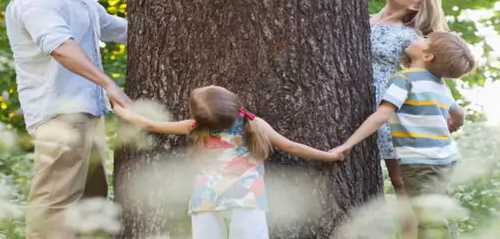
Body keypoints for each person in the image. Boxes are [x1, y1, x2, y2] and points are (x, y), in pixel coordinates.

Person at [1, 0, 130, 239]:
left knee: (92, 208)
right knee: (55, 207)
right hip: (60, 114)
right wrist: (109, 84)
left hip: (87, 113)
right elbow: (60, 47)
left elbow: (115, 28)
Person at [111, 85, 344, 239]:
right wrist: (329, 155)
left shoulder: (195, 127)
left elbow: (151, 125)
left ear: (198, 118)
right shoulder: (254, 124)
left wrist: (123, 112)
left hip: (205, 203)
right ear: (234, 103)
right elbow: (292, 147)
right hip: (247, 202)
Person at [331, 31, 477, 239]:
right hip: (446, 158)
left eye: (425, 39)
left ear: (428, 56)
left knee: (428, 218)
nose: (418, 37)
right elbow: (459, 113)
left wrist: (348, 144)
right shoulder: (439, 84)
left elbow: (383, 115)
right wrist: (454, 123)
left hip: (420, 162)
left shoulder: (404, 79)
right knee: (438, 209)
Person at [370, 0, 460, 195]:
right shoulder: (361, 19)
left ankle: (416, 225)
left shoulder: (409, 36)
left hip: (386, 104)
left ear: (415, 8)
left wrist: (452, 110)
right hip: (350, 100)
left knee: (399, 180)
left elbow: (430, 73)